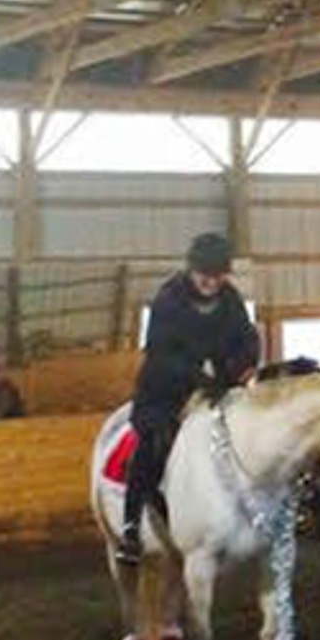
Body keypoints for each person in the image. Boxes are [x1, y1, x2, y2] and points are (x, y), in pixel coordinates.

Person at [117, 231, 261, 565]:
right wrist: (196, 375)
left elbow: (247, 338)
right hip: (165, 391)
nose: (211, 281)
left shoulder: (231, 299)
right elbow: (159, 351)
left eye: (218, 275)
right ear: (191, 270)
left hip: (217, 389)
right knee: (151, 443)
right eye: (204, 275)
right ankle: (131, 525)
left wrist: (244, 364)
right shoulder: (169, 299)